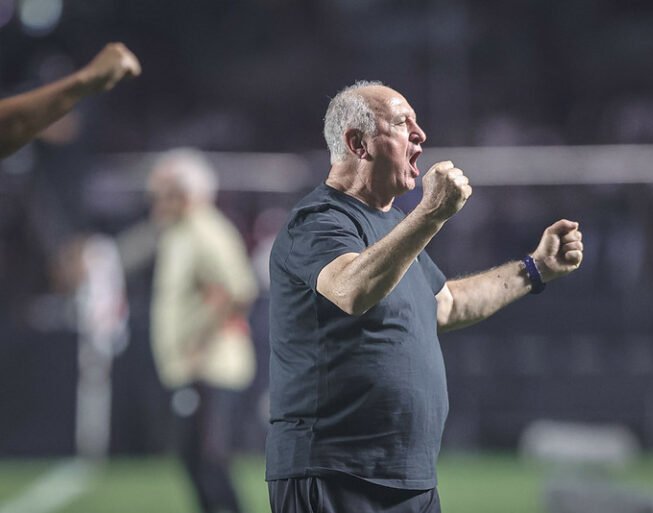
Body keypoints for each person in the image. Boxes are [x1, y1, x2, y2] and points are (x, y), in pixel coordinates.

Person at [266, 80, 584, 513]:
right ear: (357, 143)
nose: (421, 134)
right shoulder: (320, 220)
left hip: (407, 478)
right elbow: (350, 289)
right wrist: (431, 213)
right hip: (334, 474)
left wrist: (534, 269)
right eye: (402, 123)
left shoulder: (392, 225)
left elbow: (446, 303)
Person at [147, 149, 257, 513]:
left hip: (211, 368)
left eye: (162, 190)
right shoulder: (177, 232)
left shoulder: (208, 230)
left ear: (185, 191)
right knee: (193, 463)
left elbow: (240, 291)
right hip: (191, 369)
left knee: (210, 464)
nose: (155, 198)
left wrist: (199, 342)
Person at [0, 42, 140, 158]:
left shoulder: (87, 105)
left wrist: (85, 82)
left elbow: (68, 130)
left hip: (70, 174)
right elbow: (15, 122)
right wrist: (86, 79)